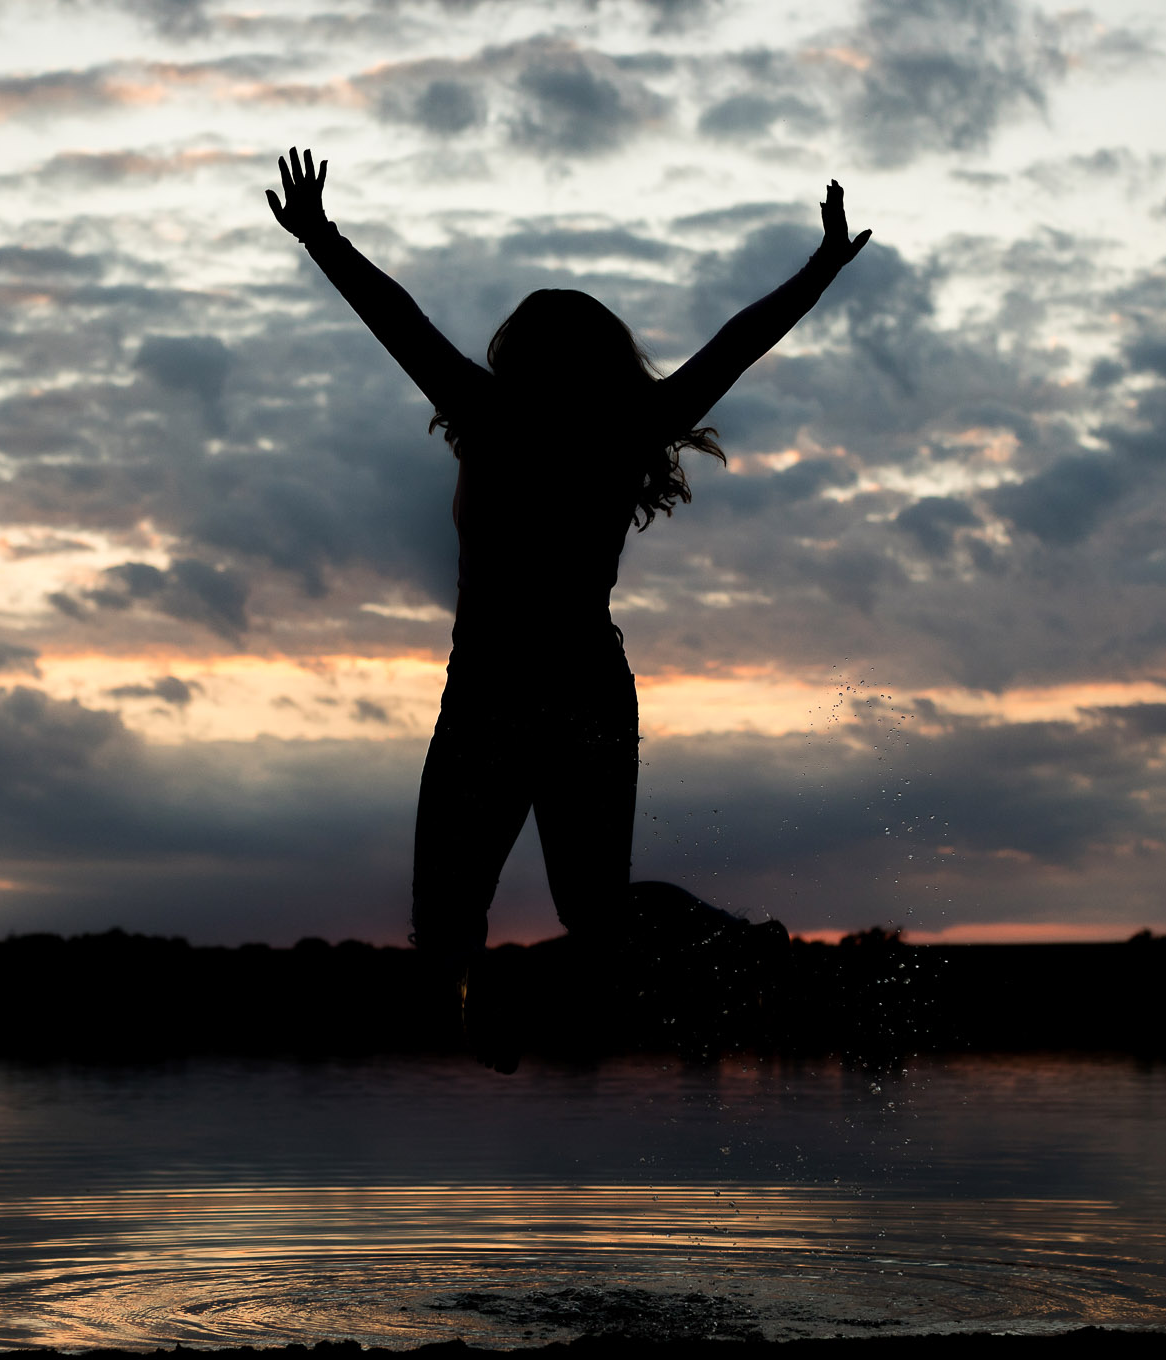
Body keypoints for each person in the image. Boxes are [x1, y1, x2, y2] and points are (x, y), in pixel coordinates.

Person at [266, 147, 871, 1066]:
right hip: (588, 687)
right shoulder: (633, 425)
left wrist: (321, 237)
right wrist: (820, 268)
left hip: (494, 690)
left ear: (516, 356)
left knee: (447, 922)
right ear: (606, 362)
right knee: (596, 911)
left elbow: (395, 318)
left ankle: (486, 1015)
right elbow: (737, 345)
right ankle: (728, 939)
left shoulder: (487, 409)